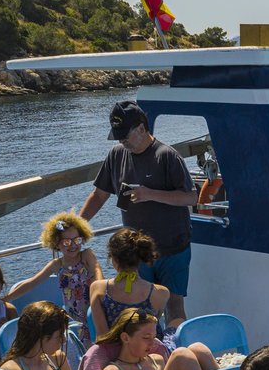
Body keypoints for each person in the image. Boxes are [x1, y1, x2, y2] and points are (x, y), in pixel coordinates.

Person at [80, 101, 197, 325]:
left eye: (125, 135)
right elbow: (98, 195)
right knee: (137, 311)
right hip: (136, 255)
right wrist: (77, 226)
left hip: (172, 249)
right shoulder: (116, 155)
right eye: (118, 136)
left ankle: (176, 354)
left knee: (174, 306)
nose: (121, 141)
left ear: (142, 129)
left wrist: (150, 194)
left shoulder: (167, 156)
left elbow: (191, 197)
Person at [8, 213, 102, 326]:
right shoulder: (57, 264)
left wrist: (100, 291)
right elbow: (32, 282)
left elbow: (97, 270)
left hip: (95, 312)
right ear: (57, 243)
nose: (72, 245)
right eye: (66, 242)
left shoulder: (87, 255)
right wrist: (6, 299)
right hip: (73, 319)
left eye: (77, 240)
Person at [89, 228, 173, 340]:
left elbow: (102, 336)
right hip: (150, 353)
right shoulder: (161, 293)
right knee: (177, 323)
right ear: (140, 258)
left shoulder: (97, 288)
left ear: (113, 259)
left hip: (114, 354)